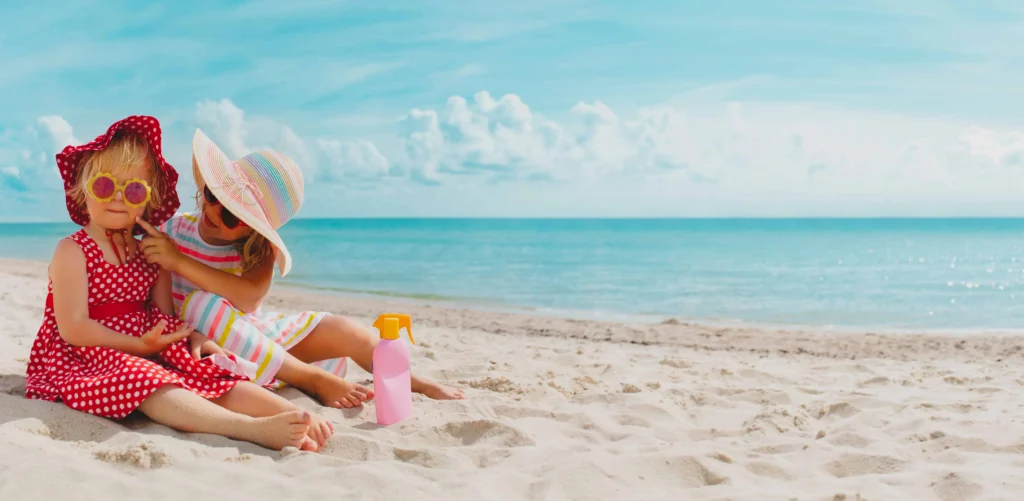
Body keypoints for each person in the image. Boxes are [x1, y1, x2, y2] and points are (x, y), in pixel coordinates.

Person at [25, 116, 333, 452]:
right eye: (103, 185)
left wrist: (190, 337)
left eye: (132, 190)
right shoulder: (73, 250)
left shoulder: (149, 251)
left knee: (202, 366)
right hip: (84, 355)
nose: (116, 198)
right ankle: (248, 429)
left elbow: (164, 314)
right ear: (83, 190)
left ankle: (292, 412)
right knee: (144, 377)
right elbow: (74, 328)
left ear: (148, 198)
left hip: (145, 340)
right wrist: (140, 346)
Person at [136, 128, 465, 409]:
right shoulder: (172, 231)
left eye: (233, 215)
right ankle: (309, 378)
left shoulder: (256, 251)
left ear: (253, 229)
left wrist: (179, 261)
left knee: (345, 330)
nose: (214, 210)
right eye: (213, 195)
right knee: (199, 304)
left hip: (249, 337)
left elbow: (249, 299)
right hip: (199, 341)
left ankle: (417, 383)